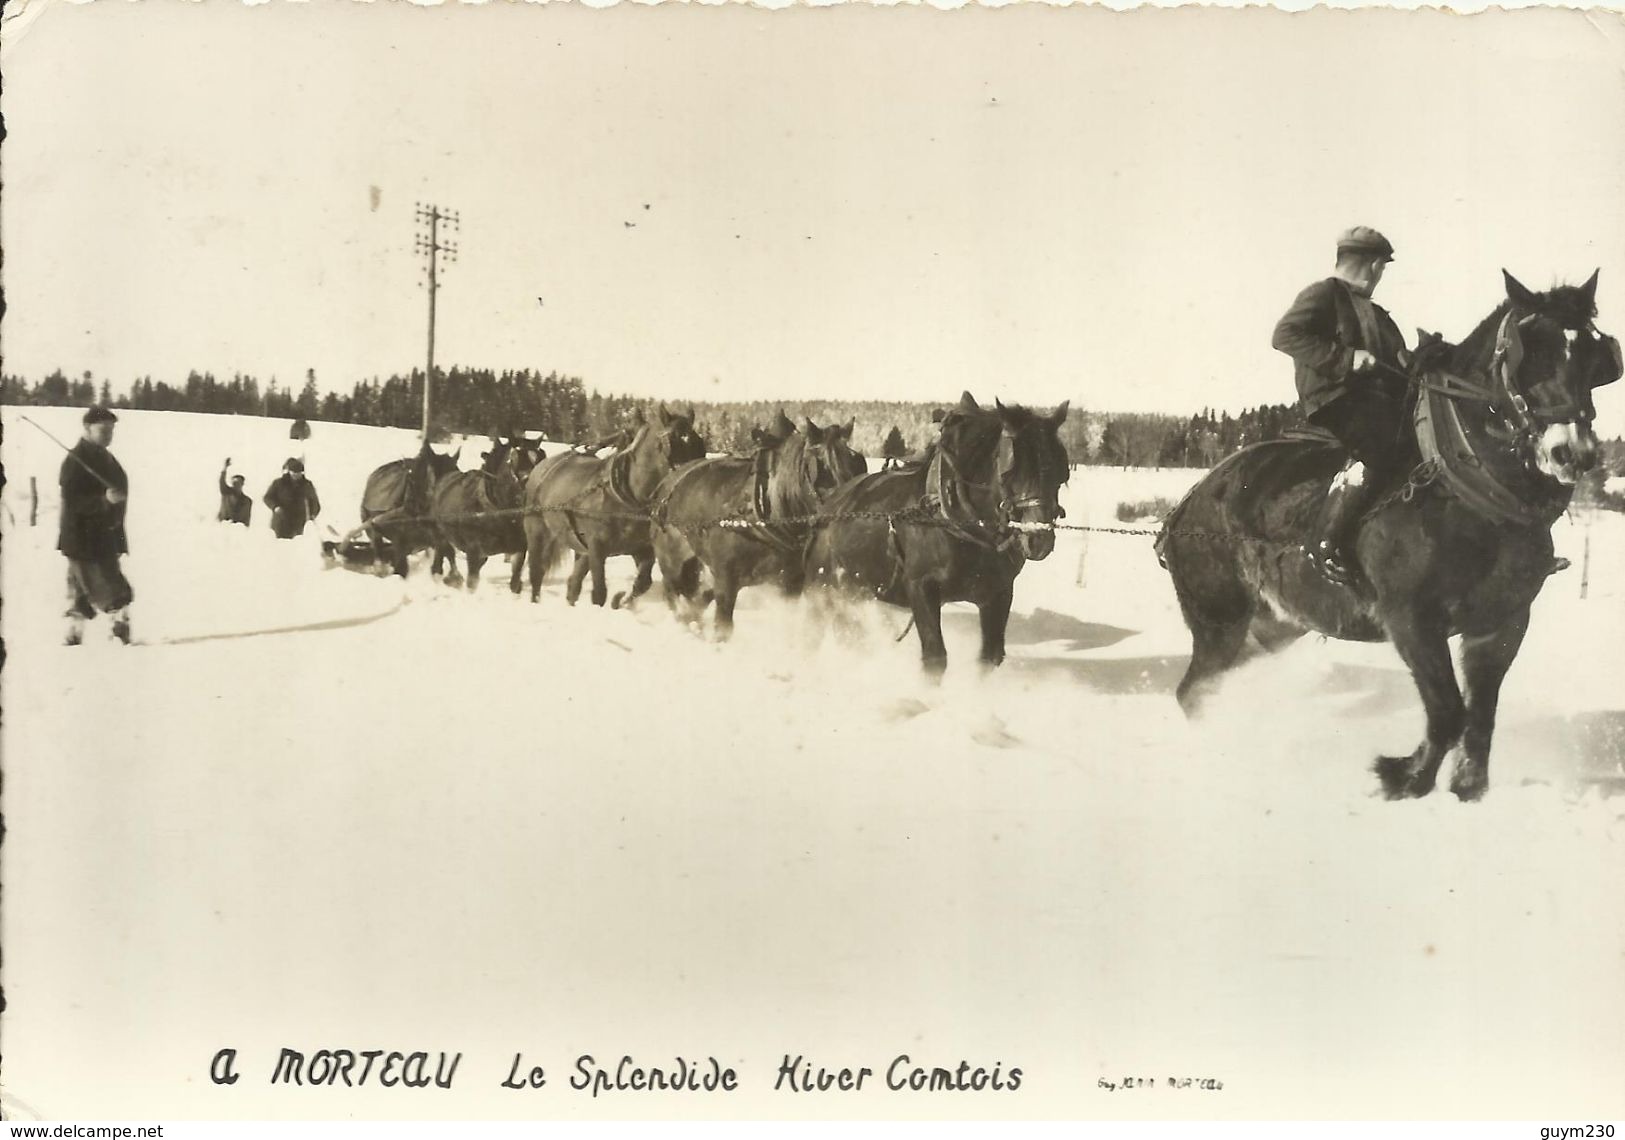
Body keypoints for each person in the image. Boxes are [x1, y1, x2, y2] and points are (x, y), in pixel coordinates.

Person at [1271, 225, 1413, 586]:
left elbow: (1396, 365)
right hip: (1336, 401)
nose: (1381, 275)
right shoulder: (1323, 294)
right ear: (1374, 265)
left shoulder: (1376, 313)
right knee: (1380, 445)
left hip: (1376, 403)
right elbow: (1284, 335)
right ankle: (1326, 543)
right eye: (1381, 268)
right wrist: (1345, 359)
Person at [59, 406, 133, 645]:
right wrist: (103, 501)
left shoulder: (106, 458)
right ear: (87, 428)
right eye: (103, 430)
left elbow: (119, 490)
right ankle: (119, 628)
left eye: (111, 430)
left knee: (83, 585)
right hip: (82, 538)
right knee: (106, 584)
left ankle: (74, 632)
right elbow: (73, 500)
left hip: (104, 535)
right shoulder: (75, 460)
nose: (108, 435)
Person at [263, 457, 321, 539]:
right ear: (289, 472)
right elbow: (267, 497)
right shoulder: (279, 483)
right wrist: (275, 507)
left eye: (299, 473)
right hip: (281, 522)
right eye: (294, 473)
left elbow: (315, 503)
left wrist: (312, 515)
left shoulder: (307, 485)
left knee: (298, 546)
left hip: (299, 524)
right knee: (281, 546)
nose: (296, 475)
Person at [217, 458, 252, 525]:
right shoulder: (226, 493)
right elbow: (222, 482)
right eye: (234, 483)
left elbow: (246, 518)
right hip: (223, 525)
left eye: (238, 483)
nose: (236, 485)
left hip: (237, 528)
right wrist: (225, 468)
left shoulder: (247, 501)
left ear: (242, 484)